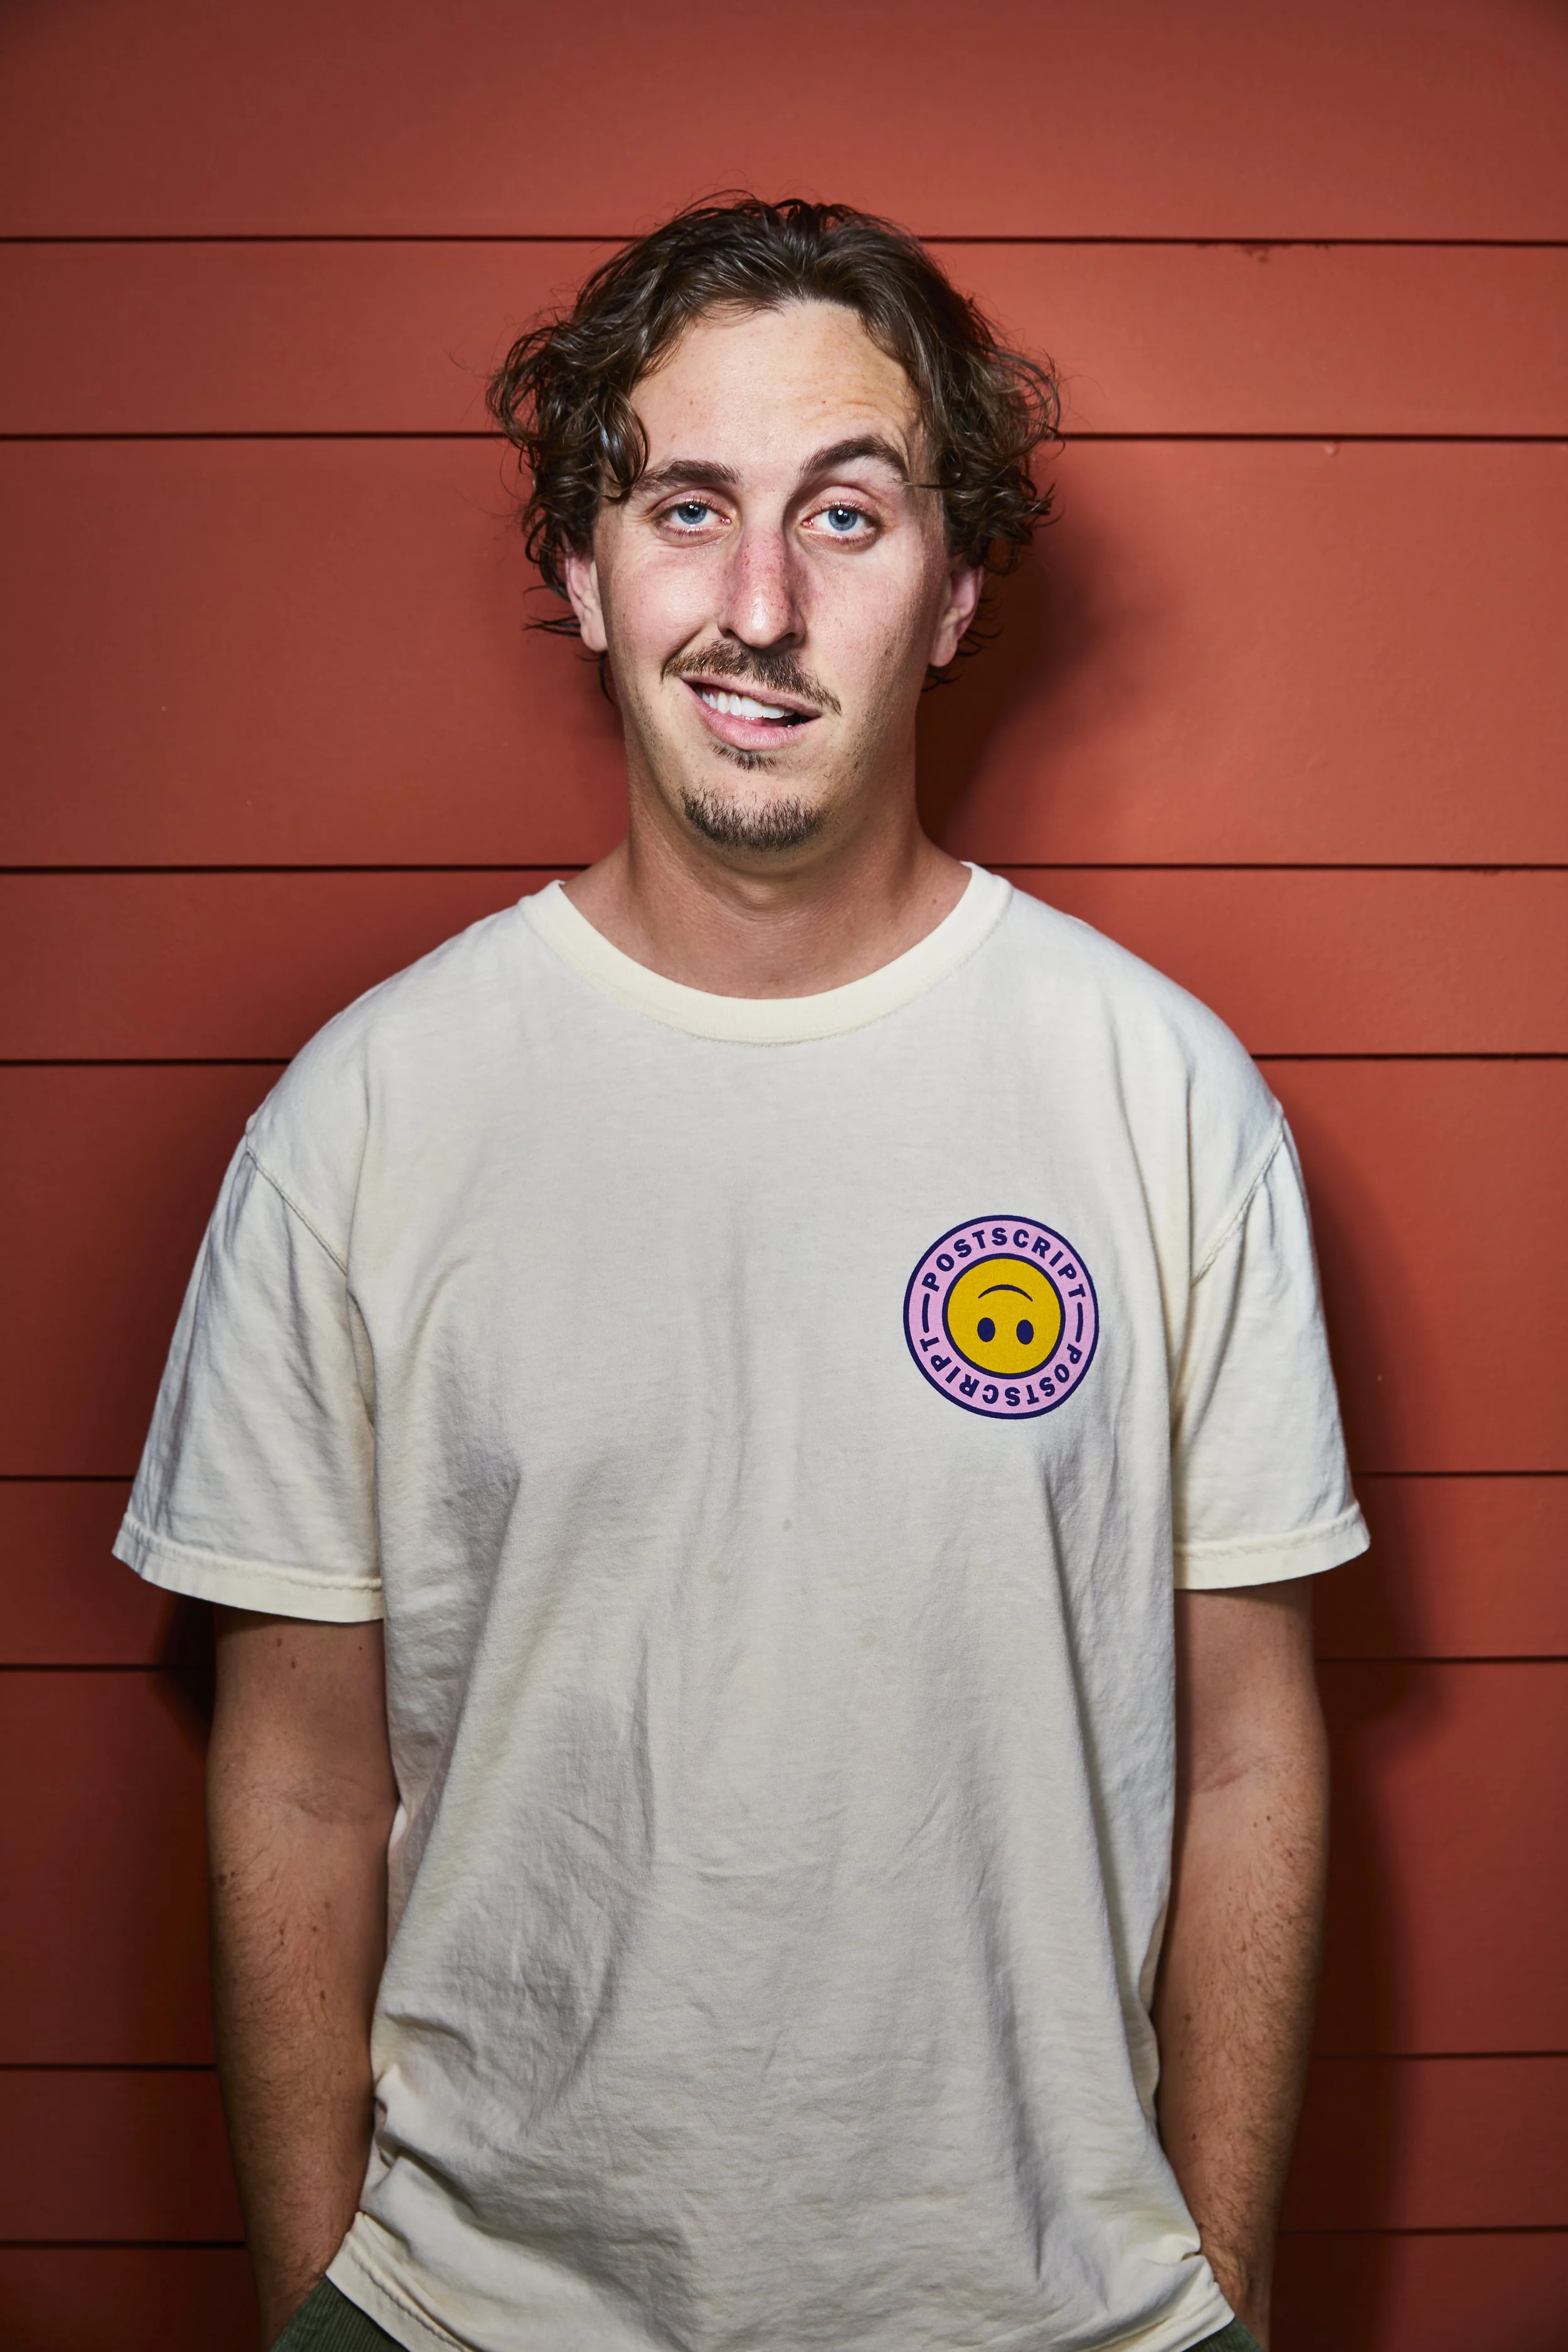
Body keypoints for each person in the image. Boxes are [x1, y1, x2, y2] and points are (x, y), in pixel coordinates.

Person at [115, 198, 1367, 2352]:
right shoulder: (367, 1116)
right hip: (475, 2313)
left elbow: (1247, 1742)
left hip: (1057, 2319)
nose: (760, 605)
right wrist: (321, 2296)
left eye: (848, 515)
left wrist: (1213, 2287)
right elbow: (301, 1767)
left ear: (958, 587)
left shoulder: (1156, 1094)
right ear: (581, 571)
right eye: (687, 506)